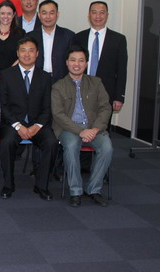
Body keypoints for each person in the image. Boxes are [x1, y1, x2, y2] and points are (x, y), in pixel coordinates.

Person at [52, 45, 113, 207]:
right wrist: (80, 131)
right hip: (69, 129)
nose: (76, 64)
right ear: (67, 62)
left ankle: (94, 189)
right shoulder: (58, 86)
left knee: (107, 147)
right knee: (71, 146)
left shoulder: (96, 83)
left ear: (86, 63)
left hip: (94, 128)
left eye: (81, 60)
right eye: (73, 60)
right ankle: (76, 191)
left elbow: (105, 107)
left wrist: (95, 129)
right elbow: (58, 114)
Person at [0, 37, 58, 200]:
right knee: (6, 143)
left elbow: (47, 107)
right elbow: (3, 105)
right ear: (17, 53)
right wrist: (18, 126)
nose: (27, 54)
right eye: (23, 50)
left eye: (31, 50)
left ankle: (42, 185)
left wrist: (37, 126)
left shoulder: (45, 77)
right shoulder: (6, 75)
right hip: (13, 123)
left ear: (37, 53)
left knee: (51, 143)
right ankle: (8, 184)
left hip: (37, 124)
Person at [74, 1, 128, 116]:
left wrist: (119, 97)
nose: (98, 16)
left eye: (102, 12)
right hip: (80, 91)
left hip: (106, 93)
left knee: (102, 125)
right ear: (89, 15)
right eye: (94, 12)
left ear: (107, 15)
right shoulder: (78, 37)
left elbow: (122, 70)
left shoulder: (118, 39)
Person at [28, 0, 75, 84]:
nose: (48, 16)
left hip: (62, 82)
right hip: (36, 81)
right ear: (39, 15)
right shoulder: (30, 36)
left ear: (57, 14)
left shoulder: (68, 36)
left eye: (51, 13)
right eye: (44, 13)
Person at [0, 0, 25, 81]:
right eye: (2, 13)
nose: (5, 16)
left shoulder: (21, 33)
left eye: (9, 13)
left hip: (14, 77)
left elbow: (21, 56)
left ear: (13, 15)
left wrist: (7, 76)